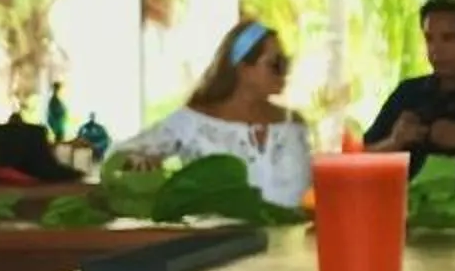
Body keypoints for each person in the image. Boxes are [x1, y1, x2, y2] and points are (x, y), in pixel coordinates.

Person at [108, 20, 315, 209]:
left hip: (294, 237)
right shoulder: (193, 122)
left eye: (286, 63)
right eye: (276, 64)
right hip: (221, 237)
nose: (284, 71)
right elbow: (121, 155)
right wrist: (142, 162)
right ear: (243, 68)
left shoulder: (293, 125)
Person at [365, 0, 455, 191]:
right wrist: (394, 142)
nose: (436, 50)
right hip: (410, 205)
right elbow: (358, 162)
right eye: (429, 39)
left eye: (449, 38)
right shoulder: (409, 93)